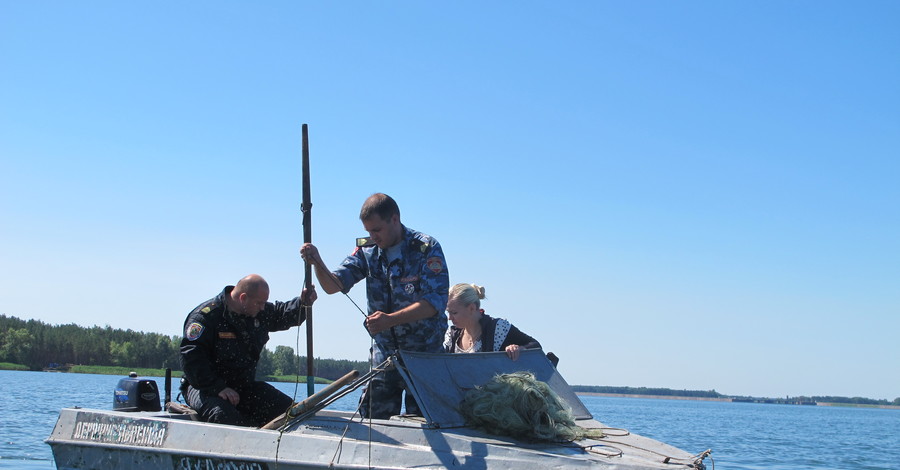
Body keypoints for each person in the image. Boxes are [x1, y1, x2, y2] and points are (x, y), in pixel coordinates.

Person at [300, 193, 449, 419]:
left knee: (426, 422)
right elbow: (333, 286)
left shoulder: (425, 248)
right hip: (384, 356)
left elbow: (435, 303)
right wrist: (317, 262)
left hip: (424, 356)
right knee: (372, 422)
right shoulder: (366, 251)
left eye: (377, 230)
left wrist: (390, 319)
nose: (373, 236)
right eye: (369, 231)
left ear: (395, 220)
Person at [179, 274, 316, 427]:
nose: (263, 308)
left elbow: (282, 314)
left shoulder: (257, 311)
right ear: (243, 298)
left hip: (243, 387)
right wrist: (217, 387)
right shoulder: (206, 317)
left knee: (292, 412)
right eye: (259, 303)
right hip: (203, 388)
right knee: (223, 416)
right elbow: (191, 359)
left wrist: (303, 302)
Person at [443, 283, 542, 361]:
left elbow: (536, 346)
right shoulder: (451, 336)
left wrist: (519, 349)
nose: (449, 318)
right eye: (448, 312)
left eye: (454, 313)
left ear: (472, 308)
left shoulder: (498, 328)